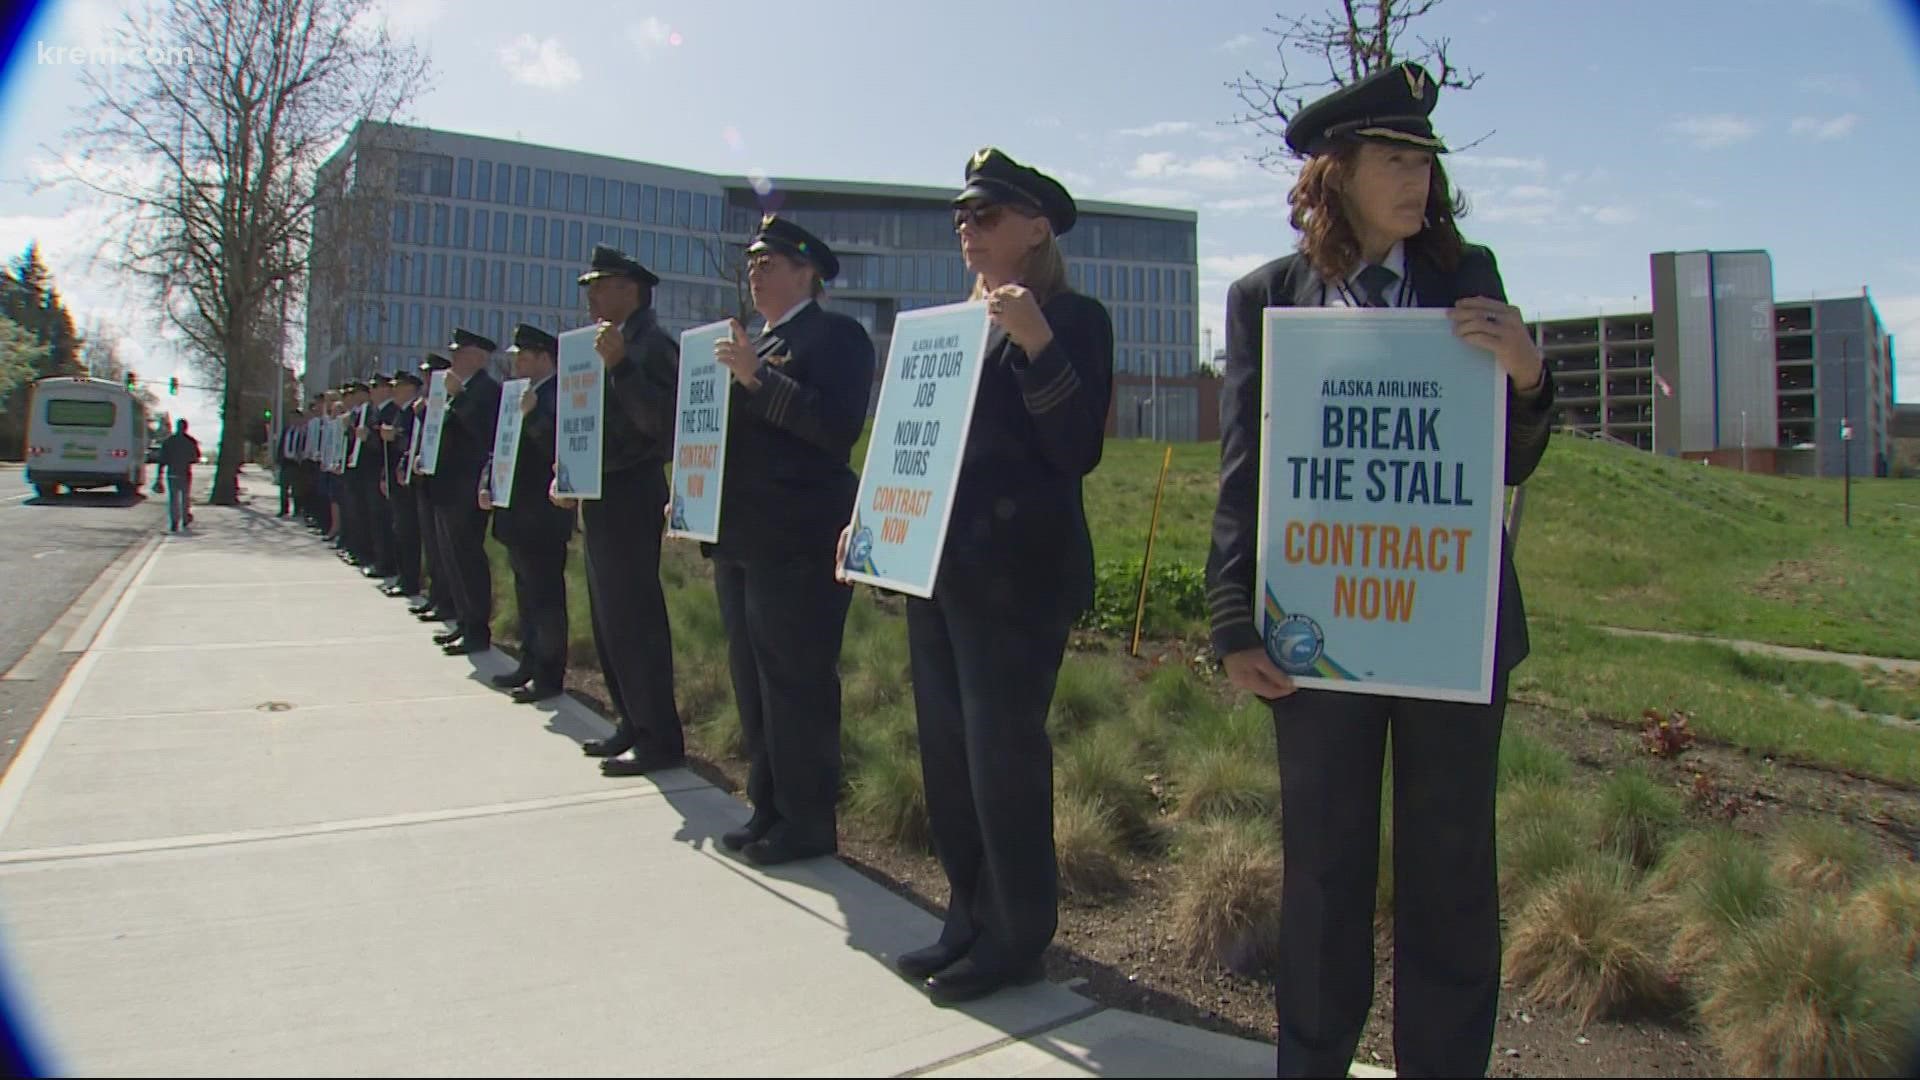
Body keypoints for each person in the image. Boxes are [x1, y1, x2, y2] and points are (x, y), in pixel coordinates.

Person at [1203, 62, 1555, 1078]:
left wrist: (1528, 377)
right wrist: (1232, 618)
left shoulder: (1468, 274)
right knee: (1321, 879)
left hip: (1448, 624)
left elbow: (1508, 459)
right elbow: (1246, 469)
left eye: (1425, 164)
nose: (1418, 181)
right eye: (1395, 160)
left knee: (1450, 877)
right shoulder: (1267, 298)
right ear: (1337, 173)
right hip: (1319, 626)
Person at [844, 148, 1113, 1006]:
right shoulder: (947, 329)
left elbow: (1077, 450)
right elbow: (908, 439)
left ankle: (1017, 936)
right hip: (942, 573)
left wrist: (1036, 345)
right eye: (962, 216)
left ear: (1036, 229)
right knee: (950, 763)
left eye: (987, 215)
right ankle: (968, 915)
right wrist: (870, 515)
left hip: (1021, 584)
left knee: (1003, 764)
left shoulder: (1075, 318)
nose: (969, 227)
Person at [706, 216, 874, 866]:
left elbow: (836, 430)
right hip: (744, 539)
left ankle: (808, 822)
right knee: (752, 682)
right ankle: (768, 807)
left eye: (768, 262)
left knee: (796, 684)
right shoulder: (755, 342)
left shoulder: (836, 336)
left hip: (799, 543)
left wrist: (759, 380)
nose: (755, 270)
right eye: (751, 260)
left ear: (807, 272)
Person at [562, 244, 684, 777]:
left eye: (601, 285)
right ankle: (630, 720)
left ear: (629, 289)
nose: (591, 295)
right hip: (599, 490)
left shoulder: (652, 345)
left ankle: (658, 735)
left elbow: (660, 424)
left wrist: (621, 369)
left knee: (634, 617)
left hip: (632, 491)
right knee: (609, 616)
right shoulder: (605, 344)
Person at [482, 324, 575, 703]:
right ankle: (529, 661)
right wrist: (487, 480)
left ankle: (549, 673)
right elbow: (499, 446)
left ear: (544, 357)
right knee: (526, 593)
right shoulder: (519, 395)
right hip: (515, 513)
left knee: (545, 595)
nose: (517, 362)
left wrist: (534, 417)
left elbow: (559, 447)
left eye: (524, 355)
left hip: (543, 516)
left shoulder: (560, 394)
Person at [432, 330, 502, 656]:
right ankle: (463, 621)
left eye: (462, 353)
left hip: (468, 488)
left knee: (468, 557)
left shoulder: (488, 390)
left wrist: (459, 398)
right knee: (452, 557)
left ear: (480, 357)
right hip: (447, 487)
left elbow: (485, 433)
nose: (455, 359)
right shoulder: (455, 391)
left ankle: (476, 628)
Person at [383, 372, 424, 599]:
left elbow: (413, 442)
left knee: (408, 534)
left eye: (398, 386)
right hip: (398, 479)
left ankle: (410, 581)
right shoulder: (401, 413)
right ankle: (402, 576)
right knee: (399, 531)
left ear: (410, 388)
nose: (394, 390)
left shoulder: (413, 413)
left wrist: (395, 437)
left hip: (410, 483)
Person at [159, 418, 202, 533]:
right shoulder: (191, 441)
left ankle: (174, 522)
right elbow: (196, 458)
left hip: (172, 473)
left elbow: (162, 459)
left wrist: (159, 476)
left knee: (173, 499)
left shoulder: (168, 441)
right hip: (185, 473)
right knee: (185, 498)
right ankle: (185, 519)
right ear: (186, 428)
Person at [276, 409, 305, 518]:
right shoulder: (287, 430)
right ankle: (284, 509)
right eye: (291, 418)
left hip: (296, 462)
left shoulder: (302, 431)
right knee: (283, 486)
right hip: (286, 461)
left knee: (296, 488)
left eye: (295, 417)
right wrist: (278, 459)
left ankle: (297, 509)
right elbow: (281, 445)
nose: (293, 420)